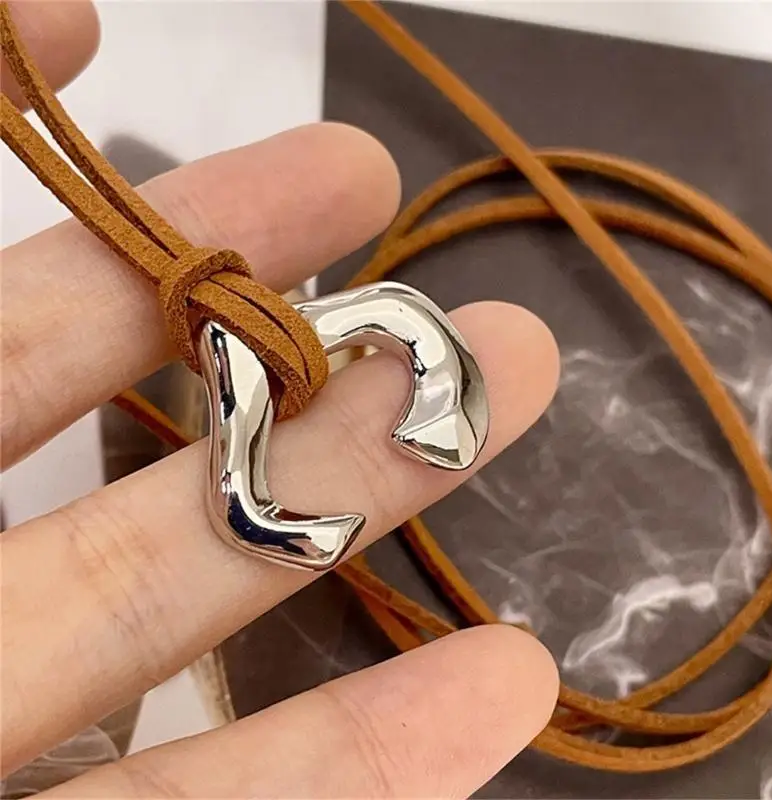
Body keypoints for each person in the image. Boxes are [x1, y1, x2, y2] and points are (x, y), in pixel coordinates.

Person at [1, 1, 560, 795]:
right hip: (236, 334)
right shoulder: (237, 346)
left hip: (248, 331)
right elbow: (239, 483)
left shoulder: (256, 339)